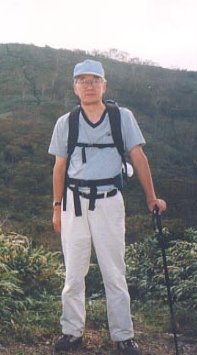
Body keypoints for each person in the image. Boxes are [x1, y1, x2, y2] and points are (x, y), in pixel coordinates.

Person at [48, 59, 167, 355]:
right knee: (74, 272)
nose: (89, 86)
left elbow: (138, 157)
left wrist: (152, 197)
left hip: (109, 201)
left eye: (94, 80)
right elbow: (59, 167)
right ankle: (71, 332)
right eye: (82, 80)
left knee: (114, 271)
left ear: (104, 85)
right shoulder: (66, 122)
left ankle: (123, 336)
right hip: (74, 205)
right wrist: (56, 207)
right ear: (75, 87)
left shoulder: (121, 117)